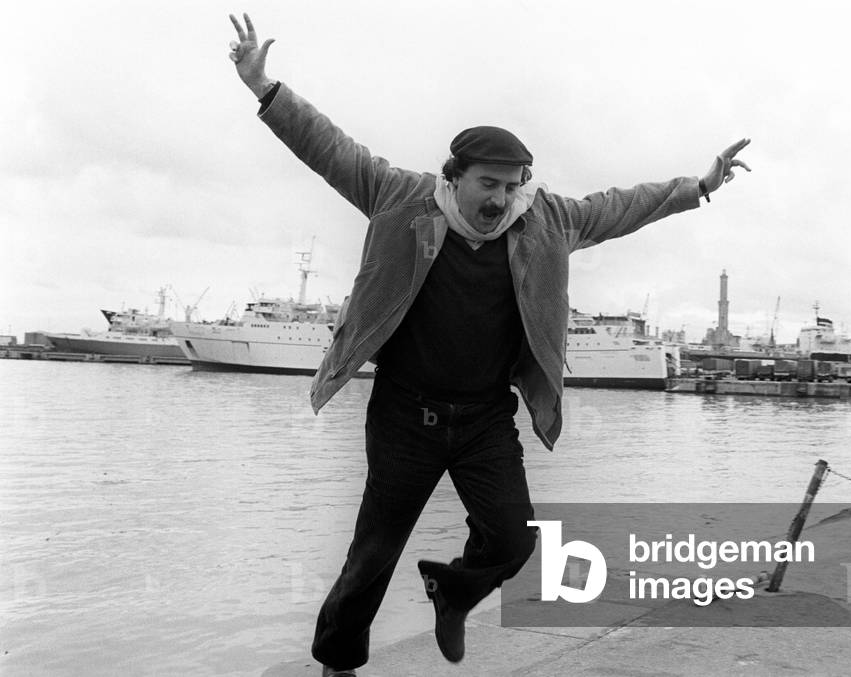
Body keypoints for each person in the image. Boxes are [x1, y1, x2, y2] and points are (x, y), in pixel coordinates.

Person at [227, 13, 751, 677]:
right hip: (403, 413)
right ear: (455, 177)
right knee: (372, 554)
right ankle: (337, 664)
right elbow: (328, 147)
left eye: (511, 187)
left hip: (482, 417)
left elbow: (620, 205)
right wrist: (264, 88)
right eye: (488, 185)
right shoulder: (399, 196)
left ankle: (455, 589)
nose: (500, 200)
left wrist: (697, 187)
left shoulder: (546, 219)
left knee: (511, 535)